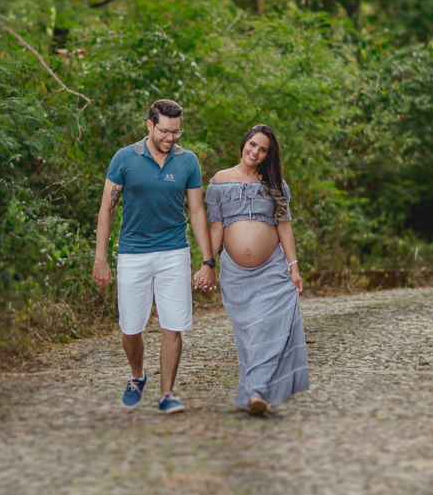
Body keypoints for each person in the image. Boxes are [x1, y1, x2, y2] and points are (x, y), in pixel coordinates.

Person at [92, 99, 218, 413]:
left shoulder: (188, 161)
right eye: (164, 131)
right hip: (133, 253)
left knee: (172, 325)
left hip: (174, 251)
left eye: (176, 132)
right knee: (130, 328)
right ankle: (137, 375)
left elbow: (197, 211)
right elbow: (106, 209)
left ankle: (167, 394)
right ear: (150, 125)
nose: (170, 138)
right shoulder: (125, 158)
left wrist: (208, 260)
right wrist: (100, 259)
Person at [205, 124, 310, 416]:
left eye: (263, 150)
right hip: (236, 274)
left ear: (268, 155)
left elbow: (284, 226)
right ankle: (255, 391)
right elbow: (216, 227)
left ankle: (255, 393)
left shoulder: (275, 184)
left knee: (268, 328)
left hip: (272, 270)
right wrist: (207, 263)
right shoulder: (220, 181)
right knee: (249, 334)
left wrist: (294, 267)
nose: (255, 152)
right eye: (253, 144)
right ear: (244, 143)